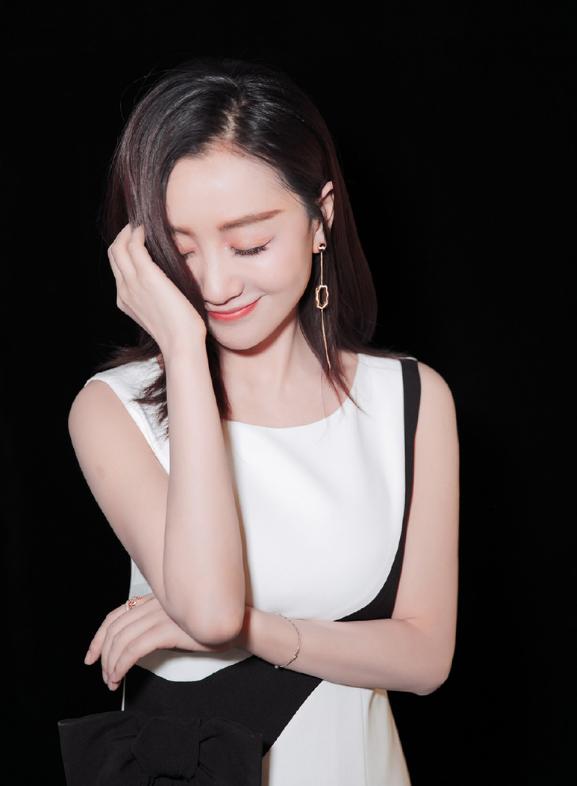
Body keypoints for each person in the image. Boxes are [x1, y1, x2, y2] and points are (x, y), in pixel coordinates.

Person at [62, 56, 459, 785]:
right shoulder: (112, 408)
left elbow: (427, 658)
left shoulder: (411, 398)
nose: (214, 285)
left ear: (320, 219)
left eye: (249, 244)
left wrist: (258, 631)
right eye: (180, 252)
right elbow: (209, 611)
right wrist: (184, 353)